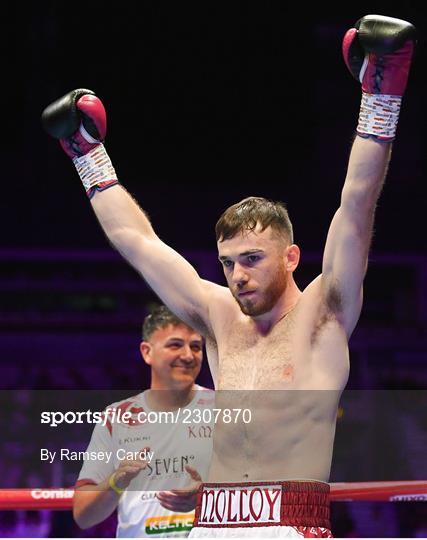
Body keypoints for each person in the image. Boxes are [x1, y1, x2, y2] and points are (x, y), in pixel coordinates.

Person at [43, 14, 416, 538]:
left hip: (291, 521)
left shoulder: (323, 311)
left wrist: (382, 94)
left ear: (290, 258)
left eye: (252, 259)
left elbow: (356, 203)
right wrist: (87, 156)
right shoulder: (219, 318)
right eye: (227, 262)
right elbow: (138, 244)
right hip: (211, 520)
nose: (237, 276)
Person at [73, 304, 214, 537]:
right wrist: (117, 481)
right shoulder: (116, 418)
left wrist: (209, 497)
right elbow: (84, 516)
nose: (188, 355)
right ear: (147, 352)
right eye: (175, 345)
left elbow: (261, 490)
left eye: (196, 347)